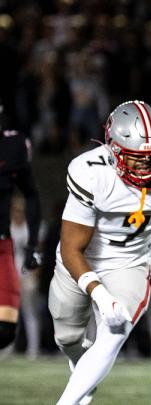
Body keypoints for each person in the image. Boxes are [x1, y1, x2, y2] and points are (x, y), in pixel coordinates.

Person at [49, 100, 151, 405]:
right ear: (114, 151)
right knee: (68, 339)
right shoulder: (91, 173)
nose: (149, 167)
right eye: (138, 159)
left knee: (117, 327)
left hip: (130, 262)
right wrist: (100, 295)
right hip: (81, 259)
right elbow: (71, 247)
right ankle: (83, 372)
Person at [0, 98, 41, 351]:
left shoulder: (12, 146)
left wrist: (32, 245)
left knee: (5, 330)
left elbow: (32, 194)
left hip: (2, 243)